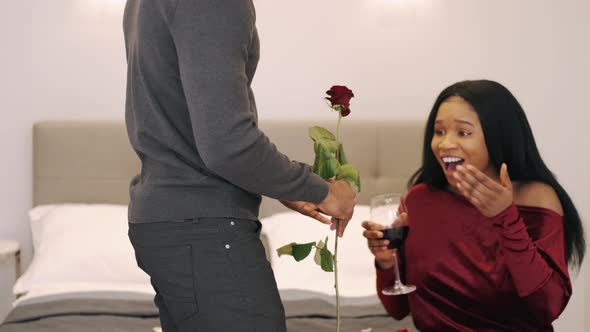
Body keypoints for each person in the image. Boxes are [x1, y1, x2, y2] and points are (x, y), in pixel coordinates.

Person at [122, 1, 356, 331]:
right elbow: (227, 144)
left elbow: (189, 128)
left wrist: (281, 183)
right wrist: (321, 190)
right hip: (204, 232)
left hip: (170, 225)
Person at [362, 80, 585, 331]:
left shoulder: (537, 198)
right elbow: (398, 309)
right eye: (439, 131)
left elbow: (548, 306)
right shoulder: (419, 200)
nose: (445, 144)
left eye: (463, 132)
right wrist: (385, 263)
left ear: (498, 136)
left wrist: (505, 217)